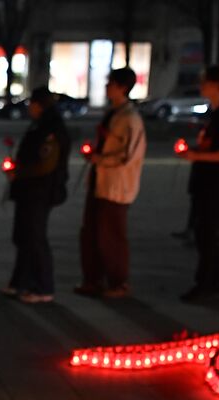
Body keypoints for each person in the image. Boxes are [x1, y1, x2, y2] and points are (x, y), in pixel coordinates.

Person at [77, 67, 145, 299]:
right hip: (100, 183)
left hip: (116, 187)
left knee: (112, 235)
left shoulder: (130, 118)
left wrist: (100, 159)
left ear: (122, 87)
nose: (107, 87)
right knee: (91, 232)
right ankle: (93, 279)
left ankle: (118, 282)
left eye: (111, 83)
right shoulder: (115, 114)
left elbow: (128, 155)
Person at [176, 65, 219, 302]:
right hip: (205, 181)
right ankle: (217, 280)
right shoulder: (216, 112)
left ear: (217, 84)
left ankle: (205, 282)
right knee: (204, 232)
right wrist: (195, 150)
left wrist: (197, 156)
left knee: (208, 233)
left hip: (215, 183)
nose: (201, 85)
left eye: (204, 81)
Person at [6, 86, 69, 304]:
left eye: (31, 104)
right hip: (30, 189)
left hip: (39, 190)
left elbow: (45, 164)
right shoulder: (40, 125)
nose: (29, 109)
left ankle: (43, 286)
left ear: (38, 105)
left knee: (34, 237)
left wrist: (19, 172)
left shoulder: (50, 129)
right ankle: (21, 281)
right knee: (24, 235)